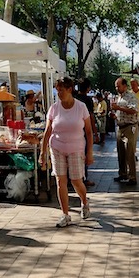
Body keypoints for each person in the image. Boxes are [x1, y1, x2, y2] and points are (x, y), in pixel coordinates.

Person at [40, 77, 94, 227]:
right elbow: (48, 131)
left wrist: (90, 152)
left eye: (61, 90)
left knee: (76, 180)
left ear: (70, 90)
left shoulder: (81, 107)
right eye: (57, 90)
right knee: (60, 181)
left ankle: (84, 201)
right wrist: (42, 152)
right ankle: (65, 214)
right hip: (57, 147)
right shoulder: (54, 108)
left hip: (76, 148)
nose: (59, 93)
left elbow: (88, 132)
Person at [111, 78, 139, 184]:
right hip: (120, 127)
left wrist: (119, 108)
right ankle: (122, 174)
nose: (117, 88)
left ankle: (132, 177)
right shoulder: (118, 97)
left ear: (125, 86)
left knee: (129, 152)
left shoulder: (131, 97)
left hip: (130, 127)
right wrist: (115, 115)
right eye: (116, 86)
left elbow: (133, 110)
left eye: (118, 86)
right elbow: (120, 112)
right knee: (121, 152)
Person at [74, 78, 96, 187]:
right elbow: (90, 116)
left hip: (73, 130)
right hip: (83, 130)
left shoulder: (74, 98)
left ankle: (74, 177)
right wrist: (94, 131)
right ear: (88, 88)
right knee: (84, 153)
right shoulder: (87, 100)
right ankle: (83, 177)